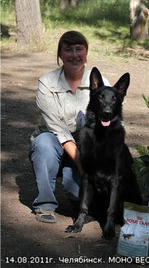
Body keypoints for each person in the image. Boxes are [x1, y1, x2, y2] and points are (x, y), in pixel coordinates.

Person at [30, 31, 109, 223]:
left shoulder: (100, 82)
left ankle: (81, 197)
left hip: (85, 145)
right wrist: (80, 164)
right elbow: (57, 128)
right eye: (68, 50)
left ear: (86, 53)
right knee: (43, 143)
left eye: (79, 49)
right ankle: (45, 205)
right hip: (54, 141)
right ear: (60, 55)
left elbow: (109, 123)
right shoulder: (47, 83)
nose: (74, 55)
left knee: (76, 189)